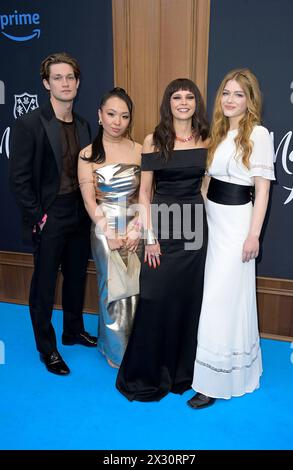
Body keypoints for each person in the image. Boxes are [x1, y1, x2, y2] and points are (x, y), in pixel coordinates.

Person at [116, 78, 210, 401]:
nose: (183, 102)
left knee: (188, 299)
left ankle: (184, 372)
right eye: (176, 97)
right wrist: (149, 237)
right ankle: (148, 372)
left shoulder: (207, 138)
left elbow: (206, 187)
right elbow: (145, 193)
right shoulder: (153, 140)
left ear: (196, 102)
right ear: (167, 103)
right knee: (155, 297)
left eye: (188, 97)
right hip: (163, 225)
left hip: (195, 228)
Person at [188, 68, 275, 409]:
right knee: (222, 297)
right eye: (226, 92)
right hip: (214, 223)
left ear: (250, 100)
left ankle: (213, 382)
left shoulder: (260, 134)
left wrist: (253, 235)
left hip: (238, 226)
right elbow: (208, 181)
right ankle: (225, 369)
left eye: (238, 94)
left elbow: (263, 191)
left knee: (218, 301)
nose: (230, 99)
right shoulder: (220, 133)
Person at [9, 52, 97, 376]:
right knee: (45, 285)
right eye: (58, 78)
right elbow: (18, 180)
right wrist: (39, 216)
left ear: (77, 83)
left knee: (76, 277)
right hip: (50, 215)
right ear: (46, 83)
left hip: (79, 211)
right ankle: (47, 349)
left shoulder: (86, 126)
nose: (65, 83)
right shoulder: (29, 124)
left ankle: (73, 331)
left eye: (70, 77)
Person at [78, 87, 142, 369]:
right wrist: (108, 230)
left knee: (136, 287)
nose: (117, 121)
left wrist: (137, 227)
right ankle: (115, 350)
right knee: (112, 287)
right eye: (111, 114)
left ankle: (135, 345)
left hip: (135, 225)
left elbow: (146, 195)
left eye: (124, 116)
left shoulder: (140, 150)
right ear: (100, 116)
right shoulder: (88, 154)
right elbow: (89, 201)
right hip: (104, 226)